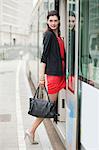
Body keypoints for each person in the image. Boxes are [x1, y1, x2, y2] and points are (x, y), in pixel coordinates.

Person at [25, 10, 66, 144]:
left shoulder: (57, 35)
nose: (53, 23)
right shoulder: (48, 35)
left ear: (59, 21)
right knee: (49, 107)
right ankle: (31, 130)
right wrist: (41, 78)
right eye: (51, 21)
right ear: (47, 22)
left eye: (55, 21)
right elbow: (44, 57)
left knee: (53, 105)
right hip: (54, 75)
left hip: (61, 74)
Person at [68, 11, 76, 92]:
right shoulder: (64, 34)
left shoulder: (76, 35)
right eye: (69, 21)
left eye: (73, 21)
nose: (71, 23)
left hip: (73, 70)